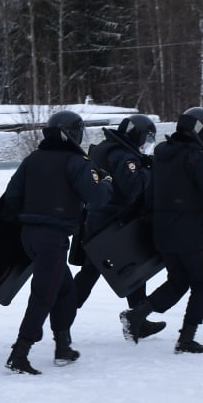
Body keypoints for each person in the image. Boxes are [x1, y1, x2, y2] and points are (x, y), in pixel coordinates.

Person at [0, 110, 112, 375]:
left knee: (65, 291)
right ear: (74, 133)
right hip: (52, 238)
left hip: (30, 235)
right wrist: (106, 182)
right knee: (44, 294)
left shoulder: (33, 159)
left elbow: (12, 195)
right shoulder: (76, 161)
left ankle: (63, 346)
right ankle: (20, 353)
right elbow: (97, 198)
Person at [121, 107, 203, 353]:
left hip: (163, 231)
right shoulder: (196, 156)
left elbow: (149, 193)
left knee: (179, 281)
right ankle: (186, 338)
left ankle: (137, 315)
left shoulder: (161, 155)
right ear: (199, 131)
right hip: (190, 231)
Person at [71, 114, 159, 320]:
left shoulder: (104, 148)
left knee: (107, 269)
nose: (144, 146)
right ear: (137, 136)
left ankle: (137, 318)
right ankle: (64, 310)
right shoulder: (125, 156)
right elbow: (133, 187)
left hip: (97, 217)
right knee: (128, 268)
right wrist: (147, 169)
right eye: (145, 140)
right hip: (113, 221)